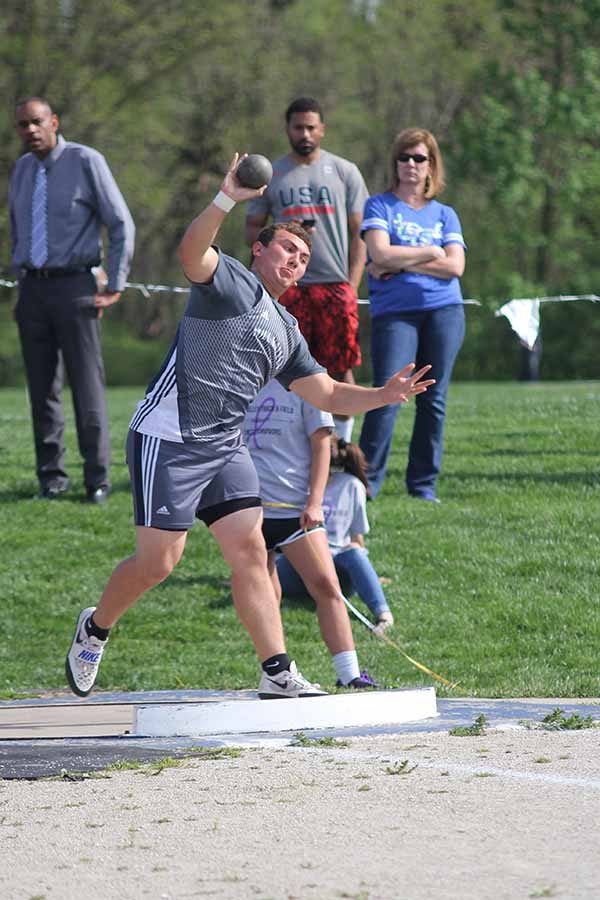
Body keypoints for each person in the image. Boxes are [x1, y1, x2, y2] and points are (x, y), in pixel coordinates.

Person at [65, 152, 434, 700]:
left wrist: (384, 393)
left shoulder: (287, 330)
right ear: (260, 248)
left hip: (225, 449)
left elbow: (327, 393)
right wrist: (227, 199)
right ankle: (94, 630)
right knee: (158, 563)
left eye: (304, 256)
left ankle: (276, 669)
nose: (295, 259)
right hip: (169, 438)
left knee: (250, 554)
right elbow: (191, 253)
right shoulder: (229, 280)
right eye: (287, 247)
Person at [9, 97, 135, 502]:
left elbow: (120, 224)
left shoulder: (85, 161)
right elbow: (18, 228)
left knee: (86, 386)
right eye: (23, 125)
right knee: (42, 387)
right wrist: (21, 279)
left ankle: (96, 479)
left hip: (76, 289)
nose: (30, 130)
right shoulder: (22, 169)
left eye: (37, 122)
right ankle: (52, 478)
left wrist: (114, 282)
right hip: (33, 289)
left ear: (54, 122)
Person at [245, 97, 369, 442]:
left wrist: (352, 284)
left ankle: (342, 447)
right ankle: (284, 444)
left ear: (322, 129)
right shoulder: (272, 173)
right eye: (298, 127)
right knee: (284, 367)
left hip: (333, 283)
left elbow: (362, 234)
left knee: (339, 367)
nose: (305, 133)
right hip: (288, 287)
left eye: (311, 127)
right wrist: (285, 234)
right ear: (287, 128)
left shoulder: (344, 171)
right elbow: (252, 231)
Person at [243, 380, 378, 689]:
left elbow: (321, 445)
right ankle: (277, 673)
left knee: (327, 585)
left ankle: (349, 675)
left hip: (296, 512)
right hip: (249, 509)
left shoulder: (305, 384)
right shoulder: (243, 379)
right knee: (265, 593)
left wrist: (315, 501)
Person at [359, 128, 466, 501]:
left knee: (433, 401)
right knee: (387, 395)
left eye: (419, 158)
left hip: (444, 311)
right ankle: (365, 483)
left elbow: (455, 268)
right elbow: (379, 255)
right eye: (404, 157)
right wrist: (430, 253)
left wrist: (403, 262)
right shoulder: (379, 206)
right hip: (396, 314)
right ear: (395, 164)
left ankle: (422, 486)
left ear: (431, 166)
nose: (410, 165)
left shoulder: (445, 214)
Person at [276, 436, 394, 636]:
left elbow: (357, 540)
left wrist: (362, 565)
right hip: (301, 568)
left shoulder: (351, 486)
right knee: (284, 558)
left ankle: (384, 615)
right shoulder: (295, 486)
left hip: (337, 570)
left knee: (355, 554)